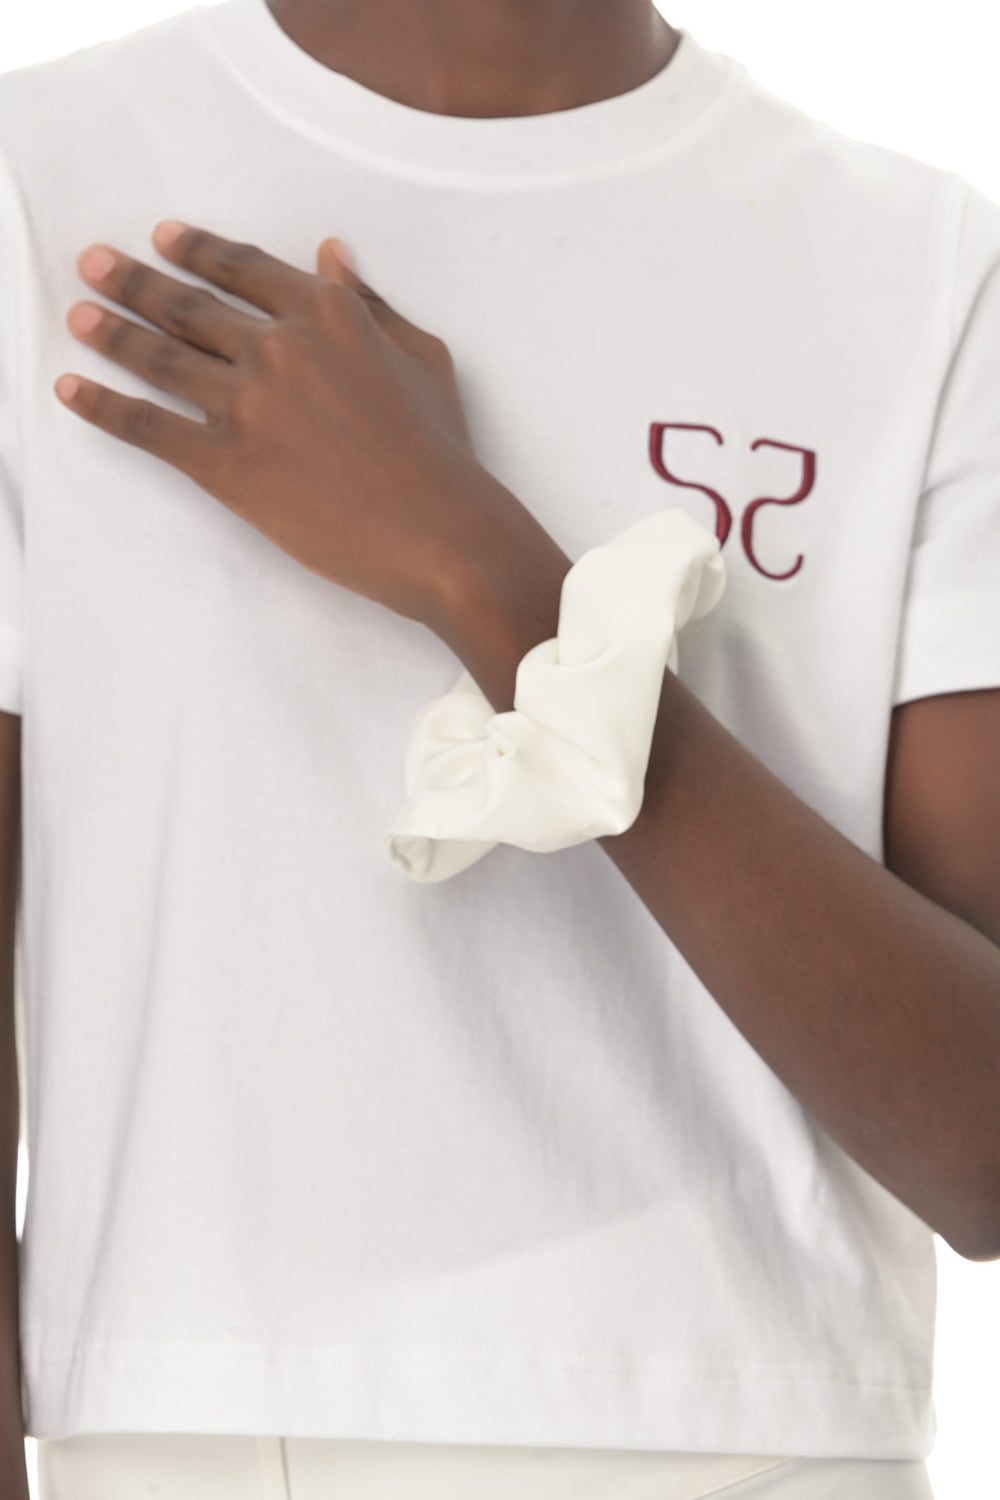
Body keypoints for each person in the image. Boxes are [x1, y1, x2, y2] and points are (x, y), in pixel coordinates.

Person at [0, 0, 998, 1495]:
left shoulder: (927, 270)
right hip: (206, 1421)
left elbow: (981, 1148)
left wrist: (482, 570)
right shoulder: (39, 179)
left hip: (771, 1430)